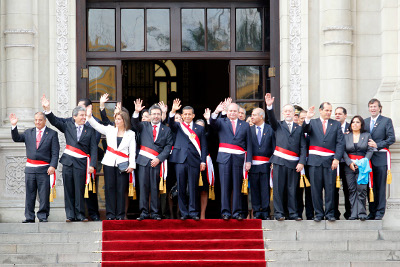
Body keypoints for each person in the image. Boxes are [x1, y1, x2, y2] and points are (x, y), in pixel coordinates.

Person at [42, 97, 97, 222]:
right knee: (69, 189)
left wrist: (92, 165)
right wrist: (48, 109)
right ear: (74, 116)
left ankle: (80, 215)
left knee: (79, 190)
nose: (84, 117)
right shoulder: (67, 125)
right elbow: (55, 121)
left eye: (85, 115)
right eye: (81, 115)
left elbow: (93, 149)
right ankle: (70, 215)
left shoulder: (90, 130)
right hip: (68, 162)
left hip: (82, 163)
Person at [87, 105, 136, 220]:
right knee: (109, 188)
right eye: (116, 119)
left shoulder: (130, 133)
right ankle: (110, 214)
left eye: (119, 119)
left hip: (123, 164)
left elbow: (132, 150)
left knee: (121, 189)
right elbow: (96, 125)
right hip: (109, 163)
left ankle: (120, 214)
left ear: (125, 120)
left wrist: (132, 165)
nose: (117, 121)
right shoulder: (110, 129)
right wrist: (89, 116)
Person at [10, 112, 60, 223]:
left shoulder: (52, 134)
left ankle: (43, 216)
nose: (37, 122)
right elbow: (17, 138)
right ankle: (29, 217)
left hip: (44, 169)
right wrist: (14, 126)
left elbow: (55, 152)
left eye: (40, 120)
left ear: (45, 121)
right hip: (30, 169)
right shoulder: (29, 132)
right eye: (36, 120)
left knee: (43, 194)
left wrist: (53, 166)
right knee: (30, 194)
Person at [265, 94, 307, 221]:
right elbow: (271, 118)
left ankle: (293, 213)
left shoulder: (299, 128)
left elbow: (303, 147)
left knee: (292, 190)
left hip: (294, 164)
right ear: (282, 113)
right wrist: (269, 106)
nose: (288, 113)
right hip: (279, 161)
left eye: (290, 111)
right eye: (286, 111)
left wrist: (301, 162)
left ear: (294, 114)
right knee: (278, 189)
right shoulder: (277, 125)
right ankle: (279, 213)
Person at [132, 99, 173, 221]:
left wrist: (159, 159)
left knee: (155, 188)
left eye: (158, 114)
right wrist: (136, 112)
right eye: (153, 114)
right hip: (143, 162)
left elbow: (168, 146)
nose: (156, 116)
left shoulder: (166, 130)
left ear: (161, 116)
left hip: (157, 163)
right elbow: (134, 123)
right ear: (149, 115)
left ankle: (155, 213)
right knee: (143, 187)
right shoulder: (143, 126)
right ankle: (144, 212)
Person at [210, 101, 252, 220]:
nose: (232, 113)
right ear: (227, 112)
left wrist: (248, 161)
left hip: (239, 159)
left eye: (235, 111)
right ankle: (225, 212)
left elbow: (249, 144)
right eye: (230, 111)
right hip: (224, 158)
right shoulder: (221, 122)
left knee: (237, 186)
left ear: (238, 113)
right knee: (225, 186)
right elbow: (212, 122)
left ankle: (237, 212)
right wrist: (217, 111)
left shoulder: (244, 125)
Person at [303, 102, 345, 222]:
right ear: (320, 110)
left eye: (330, 111)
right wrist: (308, 118)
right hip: (315, 161)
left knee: (330, 189)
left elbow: (340, 142)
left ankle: (330, 213)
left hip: (330, 161)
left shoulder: (335, 124)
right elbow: (305, 130)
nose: (328, 113)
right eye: (326, 110)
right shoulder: (312, 122)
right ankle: (319, 214)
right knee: (315, 189)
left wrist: (336, 158)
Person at [168, 99, 207, 220]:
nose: (187, 116)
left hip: (194, 161)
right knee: (181, 187)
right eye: (185, 114)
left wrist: (203, 161)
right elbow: (170, 122)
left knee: (193, 187)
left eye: (189, 114)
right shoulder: (178, 126)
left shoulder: (199, 129)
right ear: (182, 115)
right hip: (180, 160)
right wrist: (173, 111)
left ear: (193, 115)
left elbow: (204, 146)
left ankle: (193, 212)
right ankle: (184, 213)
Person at [364, 99, 395, 220]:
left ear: (380, 108)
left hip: (381, 158)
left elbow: (391, 138)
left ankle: (379, 212)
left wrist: (377, 145)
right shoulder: (365, 122)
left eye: (375, 106)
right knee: (370, 186)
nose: (373, 109)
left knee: (380, 187)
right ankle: (371, 211)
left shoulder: (386, 121)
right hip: (368, 159)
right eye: (371, 106)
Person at [343, 116, 375, 220]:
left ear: (361, 125)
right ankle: (353, 213)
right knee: (352, 189)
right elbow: (342, 151)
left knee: (361, 189)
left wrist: (363, 161)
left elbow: (371, 149)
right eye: (353, 122)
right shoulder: (346, 136)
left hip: (363, 166)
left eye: (357, 122)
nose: (355, 124)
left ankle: (362, 213)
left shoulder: (366, 135)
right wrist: (349, 163)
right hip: (349, 166)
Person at [249, 106, 275, 220]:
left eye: (254, 115)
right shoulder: (249, 130)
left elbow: (274, 146)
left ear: (261, 116)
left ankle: (265, 211)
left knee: (265, 188)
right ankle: (256, 212)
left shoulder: (270, 129)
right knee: (254, 189)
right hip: (253, 164)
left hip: (266, 164)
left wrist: (273, 161)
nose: (252, 117)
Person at [296, 110, 314, 220]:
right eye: (301, 118)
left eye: (305, 118)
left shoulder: (313, 131)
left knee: (310, 190)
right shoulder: (295, 131)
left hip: (311, 163)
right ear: (298, 119)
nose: (303, 120)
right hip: (298, 164)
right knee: (298, 190)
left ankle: (310, 214)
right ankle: (298, 213)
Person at [334, 107, 351, 220]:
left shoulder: (352, 126)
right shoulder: (332, 126)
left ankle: (349, 213)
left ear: (345, 115)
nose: (337, 116)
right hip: (334, 162)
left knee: (348, 188)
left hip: (347, 162)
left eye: (340, 114)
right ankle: (335, 213)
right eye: (335, 114)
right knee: (334, 189)